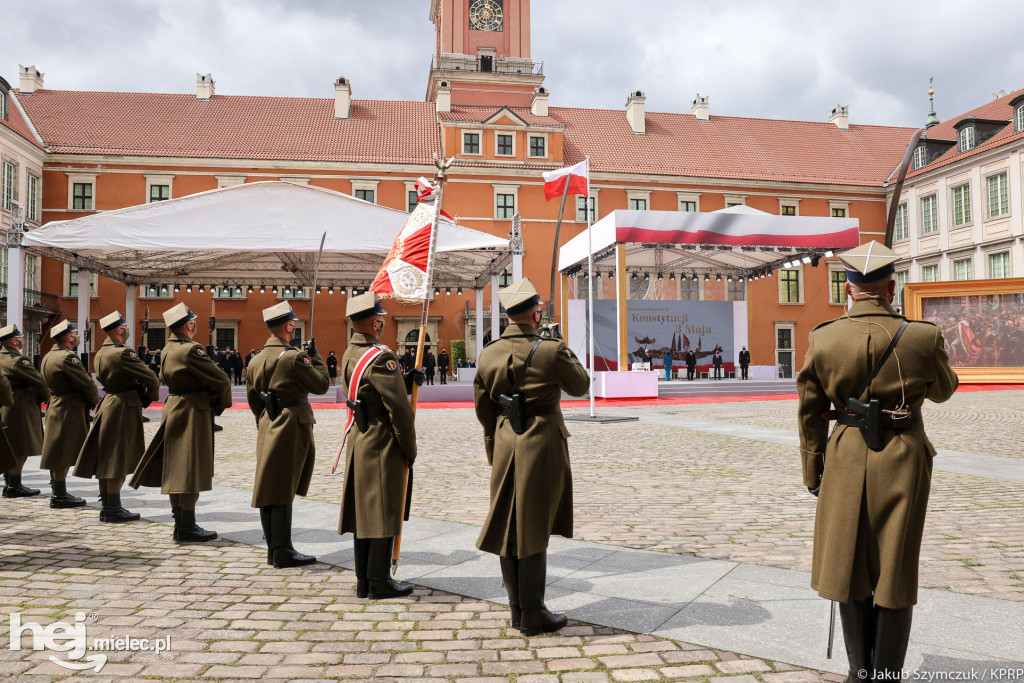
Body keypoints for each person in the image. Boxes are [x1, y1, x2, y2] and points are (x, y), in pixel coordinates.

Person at [796, 241, 959, 682]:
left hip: (846, 452)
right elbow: (945, 390)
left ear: (848, 289)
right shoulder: (922, 335)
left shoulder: (823, 338)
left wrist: (813, 471)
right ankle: (888, 675)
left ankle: (858, 671)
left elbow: (810, 411)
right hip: (904, 455)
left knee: (847, 562)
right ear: (892, 285)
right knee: (895, 566)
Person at [474, 278, 590, 636]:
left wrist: (495, 443)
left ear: (509, 315)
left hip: (507, 438)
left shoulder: (488, 352)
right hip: (542, 442)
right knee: (534, 525)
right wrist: (560, 345)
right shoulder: (551, 348)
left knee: (509, 526)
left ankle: (517, 610)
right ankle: (534, 612)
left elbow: (483, 408)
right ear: (535, 312)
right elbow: (580, 385)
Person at [337, 292, 423, 599]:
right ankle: (380, 580)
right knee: (384, 507)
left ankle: (365, 579)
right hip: (382, 438)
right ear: (375, 323)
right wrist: (409, 448)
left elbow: (371, 387)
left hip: (360, 434)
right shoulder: (381, 356)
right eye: (381, 319)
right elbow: (398, 409)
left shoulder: (351, 353)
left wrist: (405, 377)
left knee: (365, 512)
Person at [130, 302, 232, 543]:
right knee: (190, 469)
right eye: (193, 321)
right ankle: (187, 526)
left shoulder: (167, 349)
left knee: (176, 468)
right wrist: (219, 405)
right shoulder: (190, 349)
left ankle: (180, 522)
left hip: (174, 407)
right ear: (189, 325)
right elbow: (222, 380)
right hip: (193, 411)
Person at [247, 302, 330, 568]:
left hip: (267, 422)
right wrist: (315, 357)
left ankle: (275, 548)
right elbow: (321, 385)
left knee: (269, 485)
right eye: (293, 324)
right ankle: (282, 550)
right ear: (289, 326)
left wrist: (266, 419)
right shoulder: (295, 357)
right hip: (291, 423)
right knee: (282, 487)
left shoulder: (256, 359)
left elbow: (253, 400)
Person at [75, 311, 160, 522]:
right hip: (123, 406)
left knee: (107, 458)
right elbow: (151, 377)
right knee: (118, 459)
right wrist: (148, 399)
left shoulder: (103, 352)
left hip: (108, 403)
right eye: (125, 327)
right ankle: (113, 508)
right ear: (120, 330)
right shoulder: (122, 352)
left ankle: (107, 505)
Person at [39, 320, 100, 509]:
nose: (76, 336)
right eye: (74, 333)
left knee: (57, 449)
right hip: (68, 407)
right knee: (62, 452)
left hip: (55, 404)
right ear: (68, 337)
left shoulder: (49, 356)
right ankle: (59, 495)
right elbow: (86, 383)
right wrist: (94, 400)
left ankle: (58, 491)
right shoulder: (68, 358)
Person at [0, 324, 49, 498]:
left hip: (7, 405)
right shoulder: (19, 360)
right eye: (19, 338)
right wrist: (46, 397)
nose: (21, 340)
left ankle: (9, 482)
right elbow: (40, 381)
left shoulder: (1, 358)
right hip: (22, 405)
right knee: (21, 447)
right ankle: (14, 485)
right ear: (13, 341)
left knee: (11, 445)